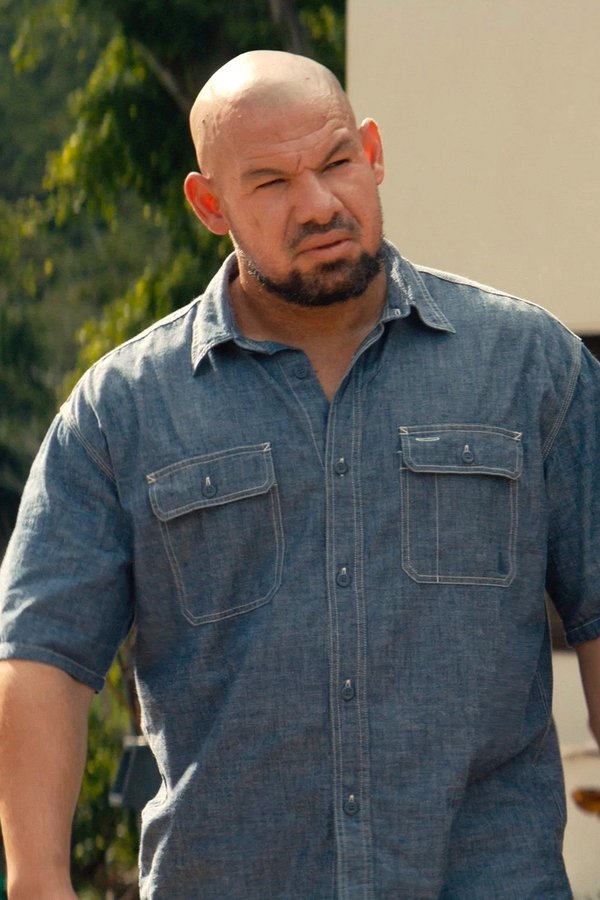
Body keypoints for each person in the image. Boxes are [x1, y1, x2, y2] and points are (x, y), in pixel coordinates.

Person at [0, 49, 599, 900]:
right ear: (210, 204)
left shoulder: (532, 367)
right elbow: (42, 654)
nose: (319, 204)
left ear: (374, 152)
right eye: (272, 182)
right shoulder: (123, 411)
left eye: (336, 162)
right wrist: (37, 883)